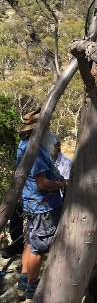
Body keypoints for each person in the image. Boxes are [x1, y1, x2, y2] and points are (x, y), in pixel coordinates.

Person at [17, 109, 68, 301]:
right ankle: (32, 288)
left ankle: (24, 281)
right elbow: (42, 183)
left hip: (34, 204)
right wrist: (62, 184)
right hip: (42, 206)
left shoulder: (25, 144)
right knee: (40, 248)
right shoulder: (35, 151)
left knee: (31, 242)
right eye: (45, 126)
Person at [2, 109, 41, 260]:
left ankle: (19, 244)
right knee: (19, 216)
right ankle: (18, 245)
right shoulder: (28, 147)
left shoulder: (30, 144)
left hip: (29, 189)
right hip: (33, 192)